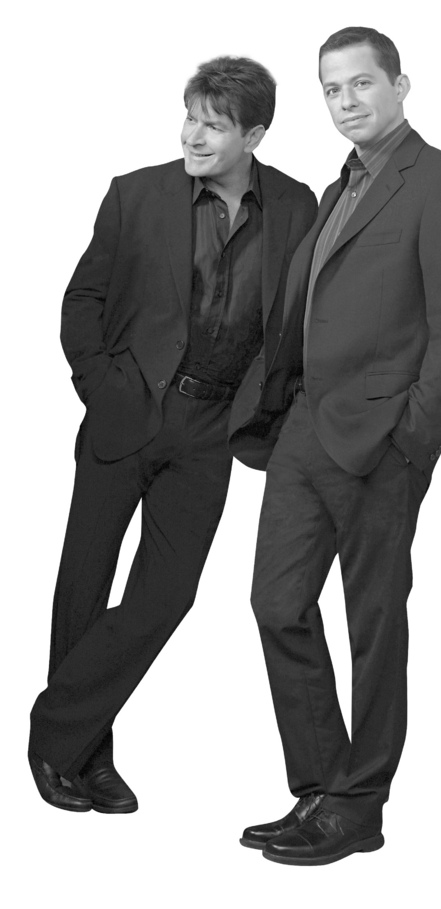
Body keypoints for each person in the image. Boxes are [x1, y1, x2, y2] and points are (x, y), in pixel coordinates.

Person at [28, 55, 317, 813]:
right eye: (190, 117)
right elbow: (82, 302)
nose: (193, 135)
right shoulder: (136, 193)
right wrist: (103, 388)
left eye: (214, 125)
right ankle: (86, 754)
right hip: (128, 412)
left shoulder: (296, 205)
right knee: (85, 584)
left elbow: (296, 319)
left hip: (214, 426)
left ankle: (54, 731)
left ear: (254, 135)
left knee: (166, 596)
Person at [233, 27, 441, 865]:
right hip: (305, 430)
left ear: (400, 85)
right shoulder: (336, 186)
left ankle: (360, 804)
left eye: (361, 84)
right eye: (332, 89)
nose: (346, 101)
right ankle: (321, 789)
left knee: (372, 624)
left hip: (380, 443)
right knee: (276, 603)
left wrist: (412, 441)